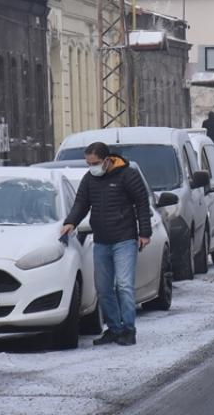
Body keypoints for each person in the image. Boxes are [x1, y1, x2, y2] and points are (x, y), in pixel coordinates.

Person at [60, 142, 151, 346]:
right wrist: (70, 222)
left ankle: (128, 329)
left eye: (95, 163)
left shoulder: (127, 175)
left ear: (107, 160)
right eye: (89, 163)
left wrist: (144, 233)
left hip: (125, 239)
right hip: (101, 240)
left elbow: (142, 203)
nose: (92, 167)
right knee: (103, 288)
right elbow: (81, 204)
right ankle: (114, 328)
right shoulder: (90, 179)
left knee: (124, 285)